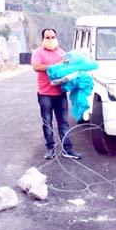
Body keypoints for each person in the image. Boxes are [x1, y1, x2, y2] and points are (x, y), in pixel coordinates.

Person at [32, 28, 82, 160]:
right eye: (47, 37)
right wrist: (55, 66)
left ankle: (68, 149)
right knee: (47, 122)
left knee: (64, 122)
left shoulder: (62, 53)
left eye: (53, 37)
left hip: (60, 94)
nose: (50, 40)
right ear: (43, 39)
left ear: (56, 37)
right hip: (44, 94)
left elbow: (69, 69)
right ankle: (50, 148)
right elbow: (36, 67)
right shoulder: (38, 52)